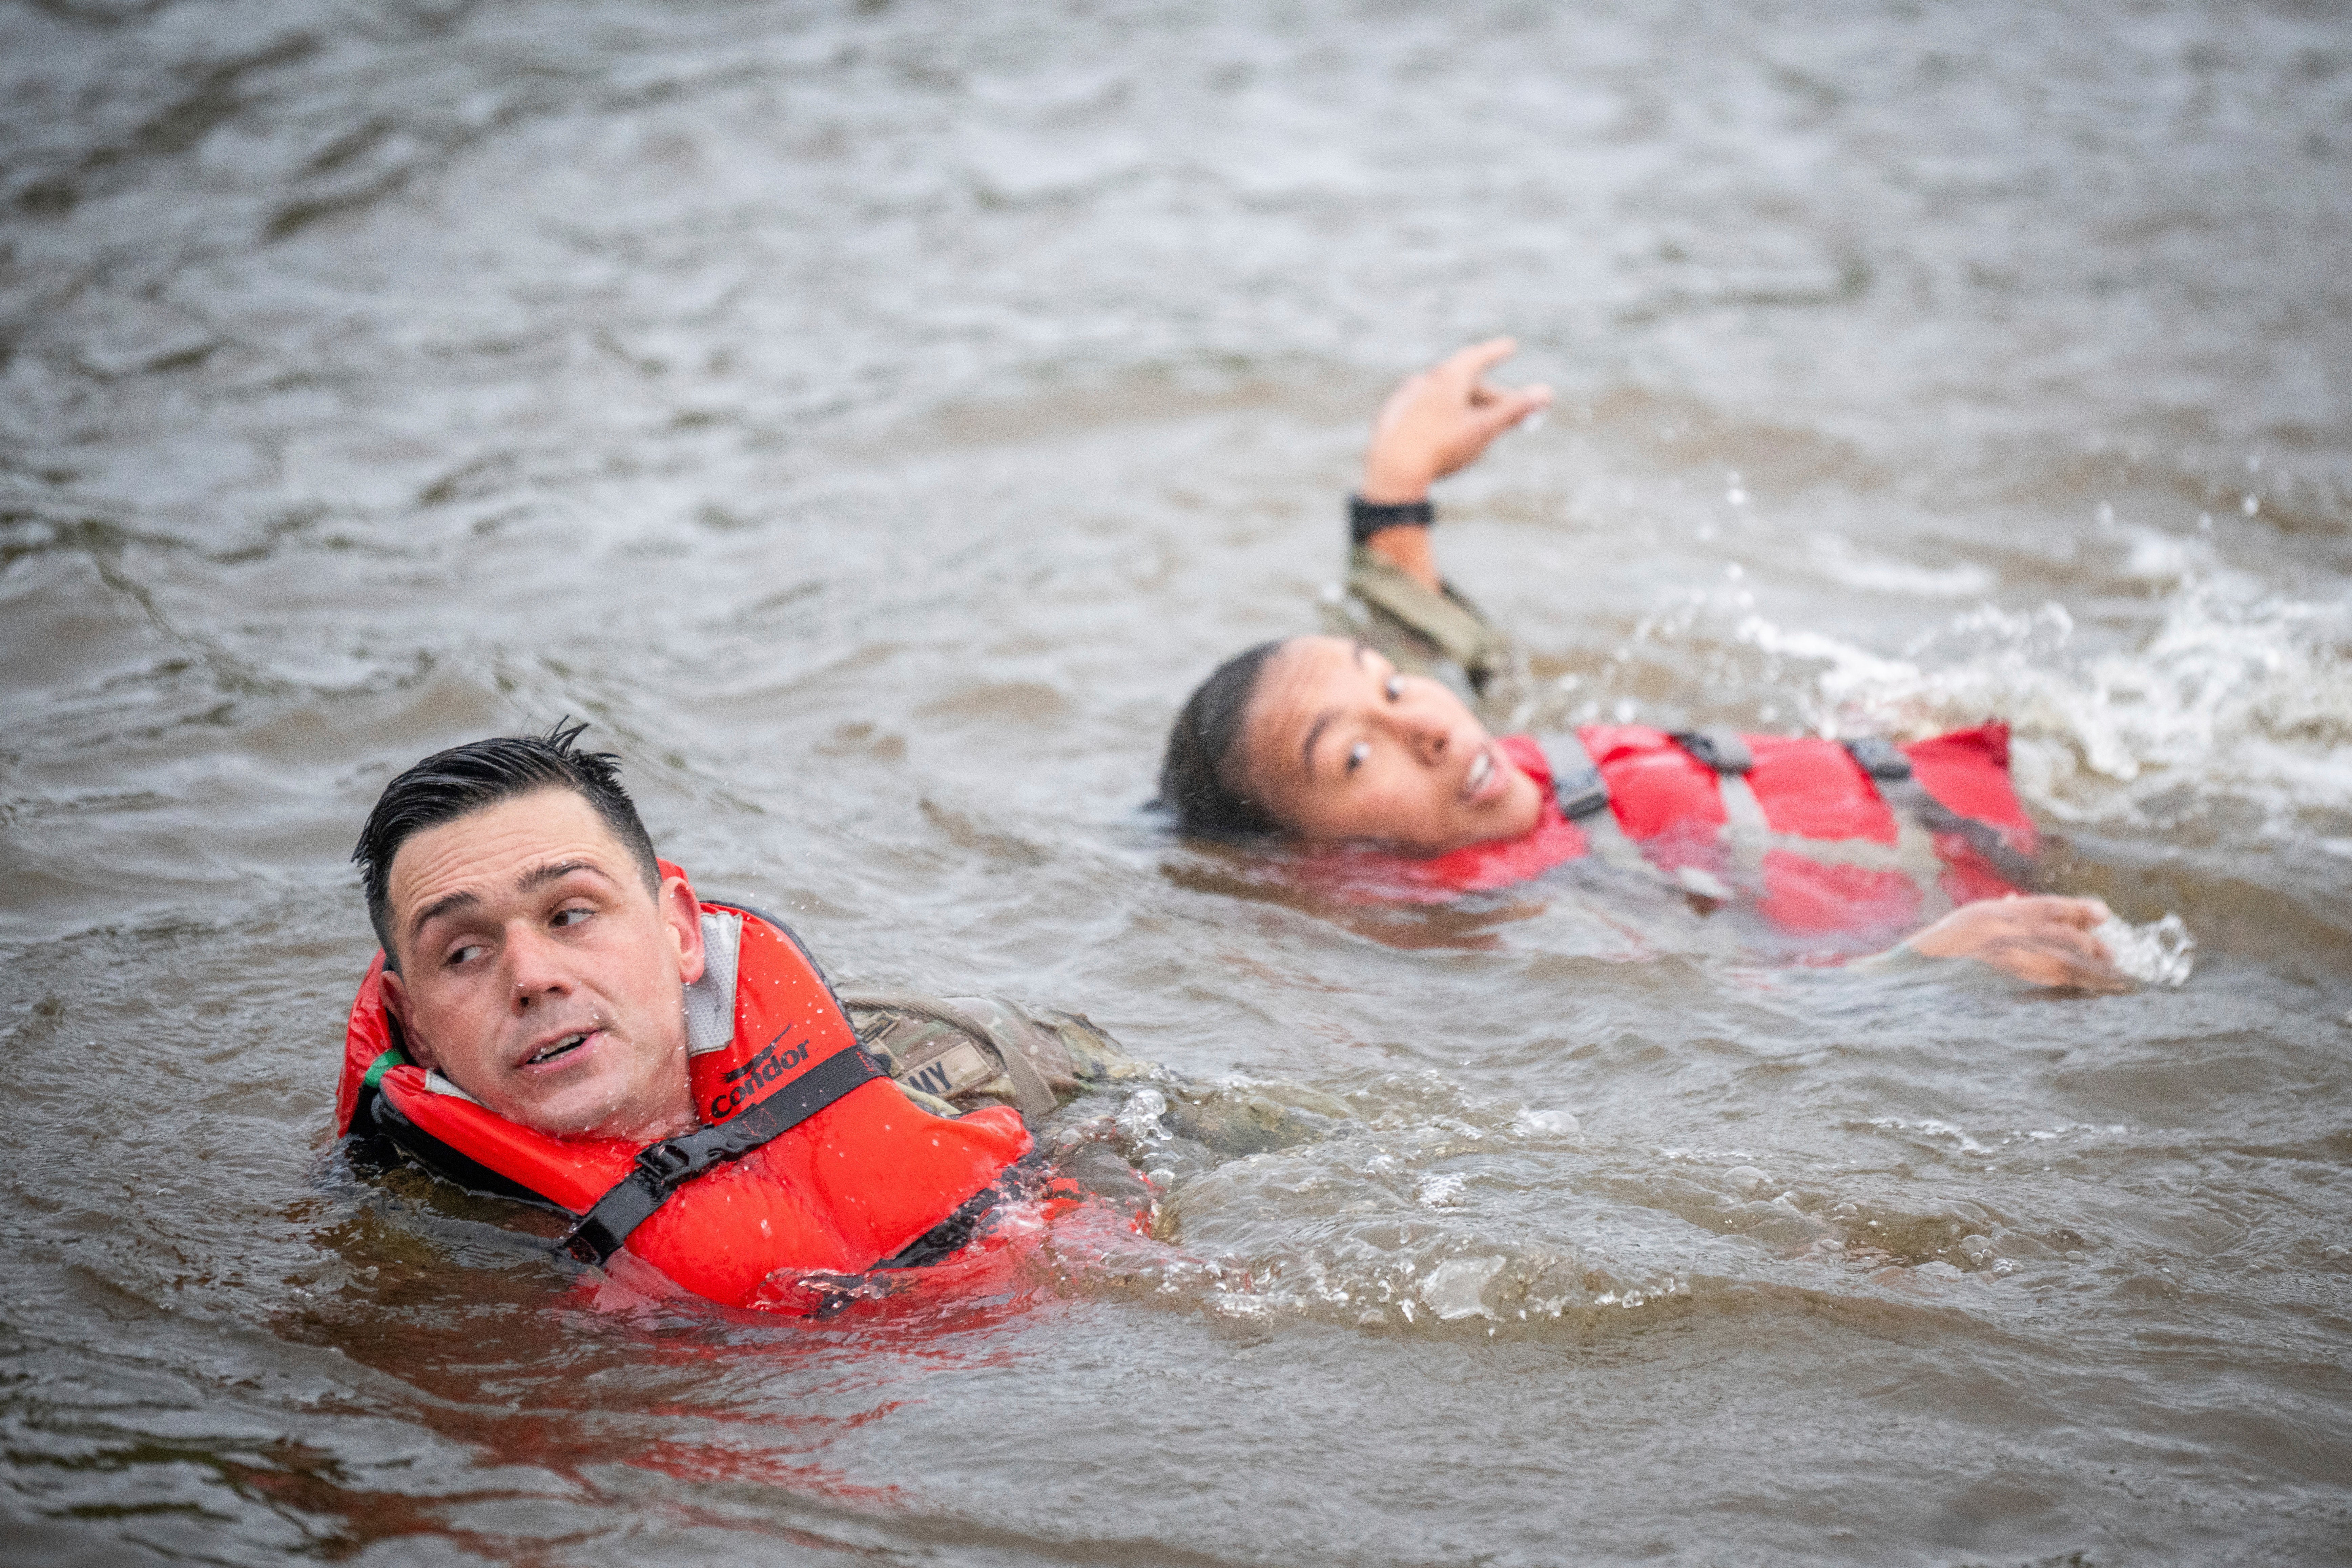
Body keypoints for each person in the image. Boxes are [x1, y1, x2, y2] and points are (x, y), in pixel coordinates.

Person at [1157, 339, 2127, 991]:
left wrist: (1396, 479)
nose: (1424, 723)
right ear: (1317, 869)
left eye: (1393, 686)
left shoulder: (1483, 762)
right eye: (1355, 760)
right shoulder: (1538, 921)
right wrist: (1924, 973)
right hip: (2045, 929)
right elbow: (1748, 1032)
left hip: (2010, 789)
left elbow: (1415, 645)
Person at [334, 723, 1182, 1312]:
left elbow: (1231, 1141)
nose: (531, 977)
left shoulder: (967, 1057)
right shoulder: (405, 1250)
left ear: (679, 932)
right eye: (464, 953)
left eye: (570, 915)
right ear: (412, 1021)